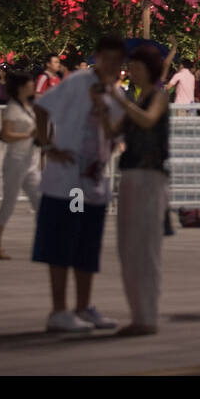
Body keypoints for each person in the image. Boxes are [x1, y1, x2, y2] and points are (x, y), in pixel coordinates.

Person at [31, 35, 128, 332]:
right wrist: (47, 146)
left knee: (87, 246)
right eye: (106, 58)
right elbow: (42, 105)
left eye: (117, 61)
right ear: (97, 56)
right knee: (61, 244)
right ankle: (58, 310)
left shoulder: (115, 95)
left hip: (94, 182)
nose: (111, 65)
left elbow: (118, 135)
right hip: (66, 182)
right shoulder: (77, 82)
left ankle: (84, 307)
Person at [106, 44, 174, 335]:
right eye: (129, 66)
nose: (130, 70)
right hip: (131, 174)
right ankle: (138, 315)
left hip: (150, 175)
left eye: (135, 66)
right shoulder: (137, 96)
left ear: (149, 69)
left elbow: (148, 120)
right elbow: (114, 131)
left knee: (145, 247)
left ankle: (147, 317)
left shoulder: (157, 95)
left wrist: (119, 102)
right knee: (128, 246)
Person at [0, 71, 41, 260]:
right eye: (30, 83)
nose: (33, 86)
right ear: (21, 87)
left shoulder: (29, 106)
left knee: (40, 202)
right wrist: (29, 135)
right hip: (15, 160)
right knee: (9, 203)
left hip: (30, 161)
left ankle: (43, 243)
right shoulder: (13, 108)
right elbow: (5, 135)